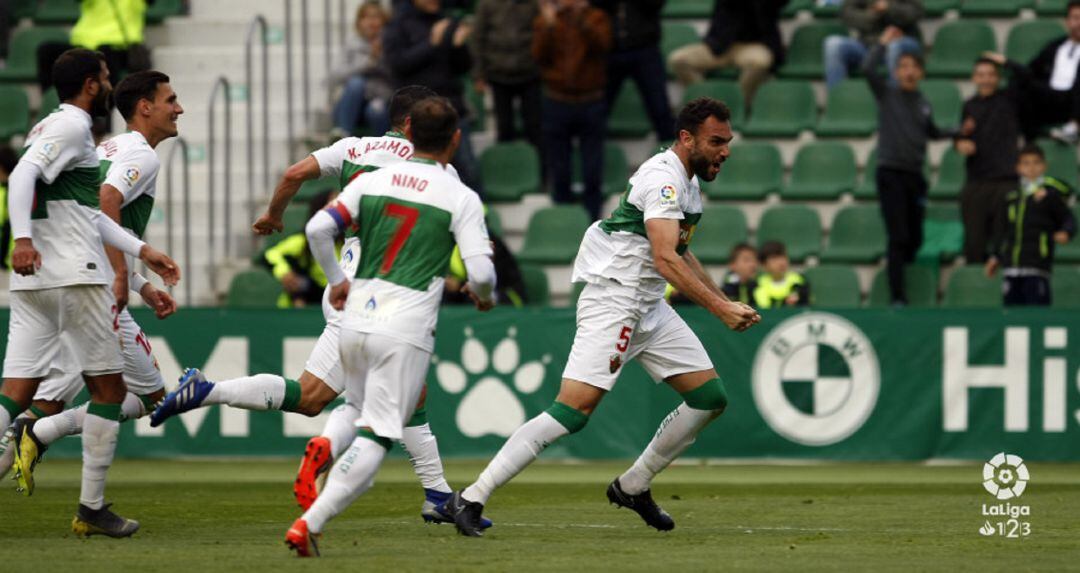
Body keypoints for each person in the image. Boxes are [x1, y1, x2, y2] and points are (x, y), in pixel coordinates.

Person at [150, 86, 490, 530]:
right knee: (351, 406)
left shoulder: (354, 150)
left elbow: (294, 175)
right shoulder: (439, 174)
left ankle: (438, 494)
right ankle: (384, 484)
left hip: (346, 290)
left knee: (350, 397)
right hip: (392, 296)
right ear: (419, 126)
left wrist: (273, 216)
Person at [445, 98, 762, 537]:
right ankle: (472, 496)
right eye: (716, 141)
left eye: (728, 142)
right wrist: (719, 308)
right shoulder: (663, 179)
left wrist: (722, 297)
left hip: (648, 304)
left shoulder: (688, 183)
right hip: (615, 301)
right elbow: (666, 258)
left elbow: (681, 252)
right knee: (572, 412)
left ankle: (634, 484)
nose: (725, 150)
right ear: (686, 138)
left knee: (709, 397)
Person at [286, 96, 496, 557]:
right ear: (455, 139)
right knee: (379, 432)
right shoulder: (458, 194)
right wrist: (485, 297)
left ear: (408, 134)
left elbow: (318, 228)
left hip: (355, 313)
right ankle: (310, 522)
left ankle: (324, 442)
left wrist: (337, 281)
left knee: (354, 406)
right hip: (404, 324)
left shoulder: (373, 180)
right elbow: (480, 271)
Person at [0, 49, 179, 537]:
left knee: (15, 397)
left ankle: (41, 439)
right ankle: (91, 508)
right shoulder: (75, 128)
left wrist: (144, 255)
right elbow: (23, 177)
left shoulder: (60, 131)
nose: (107, 82)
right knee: (110, 393)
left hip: (39, 279)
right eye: (103, 76)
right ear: (91, 85)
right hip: (77, 276)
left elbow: (87, 211)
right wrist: (21, 238)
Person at [865, 27, 952, 306]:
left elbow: (933, 132)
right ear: (896, 71)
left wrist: (959, 132)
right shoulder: (887, 94)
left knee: (915, 237)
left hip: (915, 175)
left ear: (921, 73)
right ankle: (897, 296)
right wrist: (882, 43)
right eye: (903, 67)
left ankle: (905, 279)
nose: (909, 71)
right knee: (898, 236)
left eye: (914, 67)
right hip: (891, 172)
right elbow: (867, 69)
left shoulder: (923, 103)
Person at [384, 0, 479, 190]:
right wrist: (431, 43)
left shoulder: (447, 21)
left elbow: (463, 67)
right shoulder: (398, 25)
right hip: (416, 112)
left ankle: (477, 216)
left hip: (450, 107)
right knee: (416, 175)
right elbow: (398, 64)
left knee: (467, 171)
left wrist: (460, 47)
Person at [533, 0, 612, 221]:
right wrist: (548, 27)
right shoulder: (548, 20)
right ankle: (564, 219)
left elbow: (603, 45)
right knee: (559, 168)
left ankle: (593, 222)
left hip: (591, 101)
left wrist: (582, 20)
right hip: (557, 101)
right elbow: (538, 56)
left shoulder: (596, 17)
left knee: (592, 168)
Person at [985, 144, 1076, 306]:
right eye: (1026, 163)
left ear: (1044, 166)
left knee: (1037, 315)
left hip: (1037, 266)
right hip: (1011, 268)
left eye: (1036, 163)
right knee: (1011, 317)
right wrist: (995, 256)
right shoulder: (1011, 197)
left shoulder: (1050, 193)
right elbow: (1003, 230)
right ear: (1018, 168)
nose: (1031, 168)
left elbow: (1068, 216)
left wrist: (1066, 232)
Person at [955, 54, 1023, 264]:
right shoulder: (969, 105)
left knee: (1004, 246)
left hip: (1006, 180)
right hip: (977, 182)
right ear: (974, 78)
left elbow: (1024, 75)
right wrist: (960, 143)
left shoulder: (1009, 99)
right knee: (973, 246)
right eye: (981, 75)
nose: (986, 79)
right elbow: (961, 135)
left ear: (998, 78)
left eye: (991, 75)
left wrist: (1002, 59)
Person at [667, 1, 787, 104]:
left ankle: (737, 105)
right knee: (678, 60)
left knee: (760, 62)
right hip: (719, 44)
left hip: (753, 44)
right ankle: (707, 105)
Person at [593, 0, 675, 142]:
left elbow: (656, 4)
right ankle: (596, 160)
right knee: (597, 111)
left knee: (660, 110)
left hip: (645, 47)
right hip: (610, 49)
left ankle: (672, 161)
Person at [471, 0, 541, 147]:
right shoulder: (487, 4)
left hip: (530, 73)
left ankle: (540, 167)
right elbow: (478, 39)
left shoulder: (533, 4)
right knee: (504, 128)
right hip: (498, 74)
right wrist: (478, 74)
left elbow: (541, 34)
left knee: (535, 128)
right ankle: (507, 165)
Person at [261, 190, 341, 308]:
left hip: (339, 302)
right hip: (307, 303)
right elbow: (270, 254)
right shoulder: (303, 241)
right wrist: (284, 273)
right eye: (333, 205)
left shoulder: (351, 241)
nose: (339, 210)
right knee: (300, 282)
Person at [327, 1, 393, 137]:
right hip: (350, 104)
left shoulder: (391, 44)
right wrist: (369, 62)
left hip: (378, 101)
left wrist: (379, 58)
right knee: (356, 83)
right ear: (359, 22)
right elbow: (335, 76)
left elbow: (393, 79)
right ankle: (343, 137)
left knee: (375, 110)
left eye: (376, 17)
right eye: (366, 17)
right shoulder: (352, 44)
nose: (371, 22)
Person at [823, 0, 922, 90]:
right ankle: (838, 101)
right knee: (833, 44)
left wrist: (889, 8)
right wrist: (873, 14)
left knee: (894, 46)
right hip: (868, 45)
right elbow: (846, 13)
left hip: (903, 41)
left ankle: (895, 104)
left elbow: (915, 12)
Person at [1022, 0, 1080, 143]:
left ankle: (1073, 127)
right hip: (1051, 100)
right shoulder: (1054, 46)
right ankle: (1030, 142)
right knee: (1020, 84)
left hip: (1075, 102)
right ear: (1067, 21)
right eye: (1076, 18)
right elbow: (1031, 69)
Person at [753, 241, 810, 308]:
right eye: (774, 258)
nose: (781, 262)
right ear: (764, 265)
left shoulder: (800, 281)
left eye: (783, 256)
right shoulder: (756, 285)